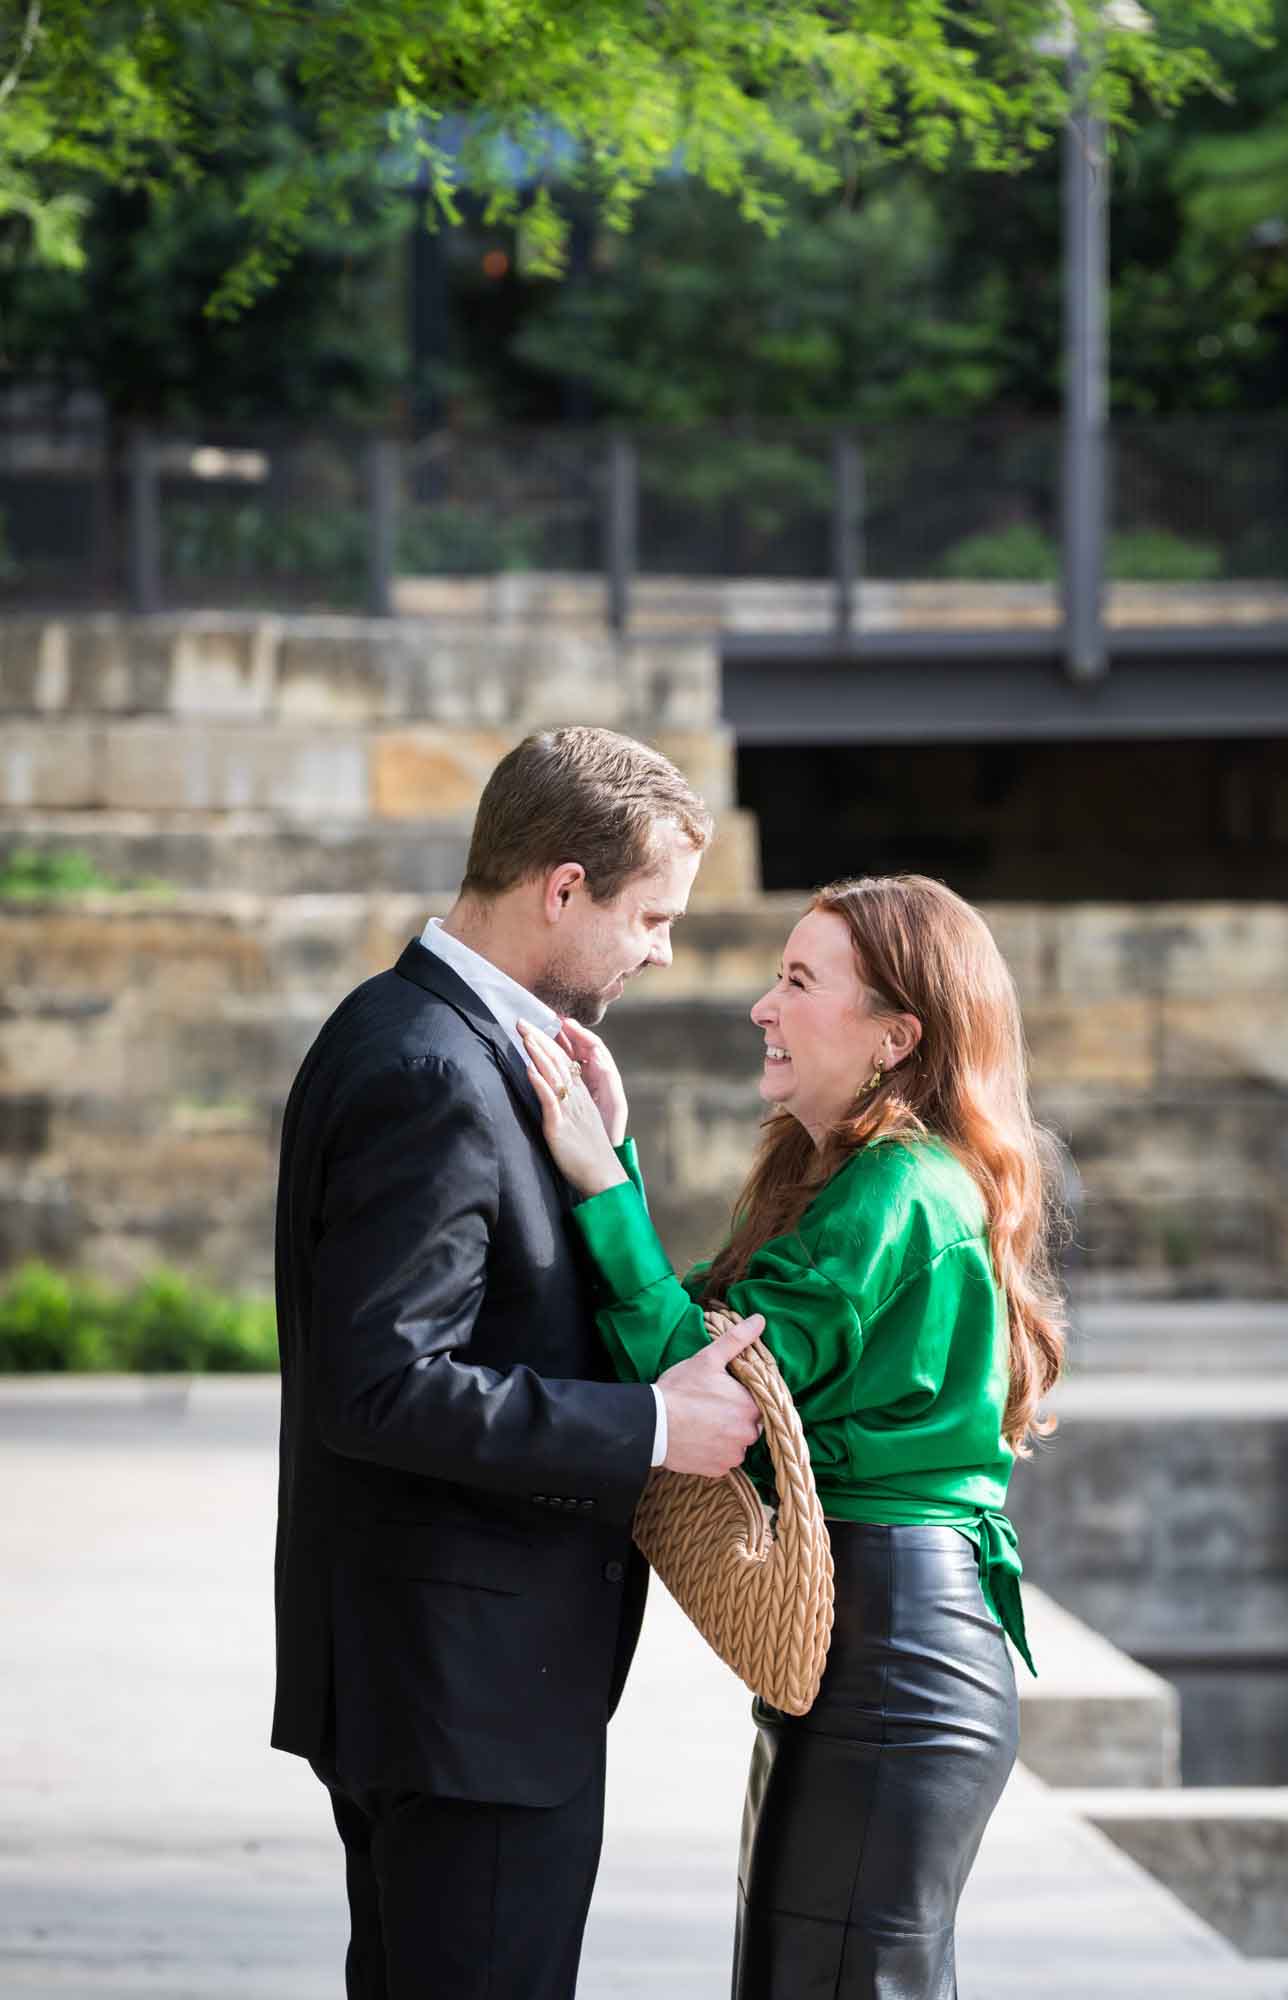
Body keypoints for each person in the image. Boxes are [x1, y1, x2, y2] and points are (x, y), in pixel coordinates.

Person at [271, 725, 765, 2000]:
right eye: (650, 914)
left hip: (440, 1686)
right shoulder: (433, 1068)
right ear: (561, 887)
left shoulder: (430, 1037)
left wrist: (608, 1153)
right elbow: (381, 1383)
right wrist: (648, 1427)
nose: (661, 948)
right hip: (463, 1706)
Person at [520, 872, 1067, 2000]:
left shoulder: (898, 1189)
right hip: (871, 1651)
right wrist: (613, 1155)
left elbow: (707, 1375)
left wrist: (595, 1176)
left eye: (800, 980)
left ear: (892, 1036)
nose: (763, 1005)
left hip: (893, 1661)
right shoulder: (871, 1180)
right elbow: (700, 1343)